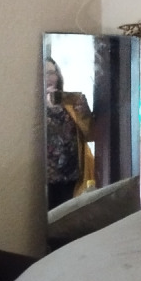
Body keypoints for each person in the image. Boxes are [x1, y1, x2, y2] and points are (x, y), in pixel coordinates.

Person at [44, 57, 94, 208]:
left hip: (72, 177)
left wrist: (84, 113)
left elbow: (90, 134)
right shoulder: (32, 107)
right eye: (44, 73)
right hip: (44, 179)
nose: (49, 77)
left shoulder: (70, 103)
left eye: (52, 73)